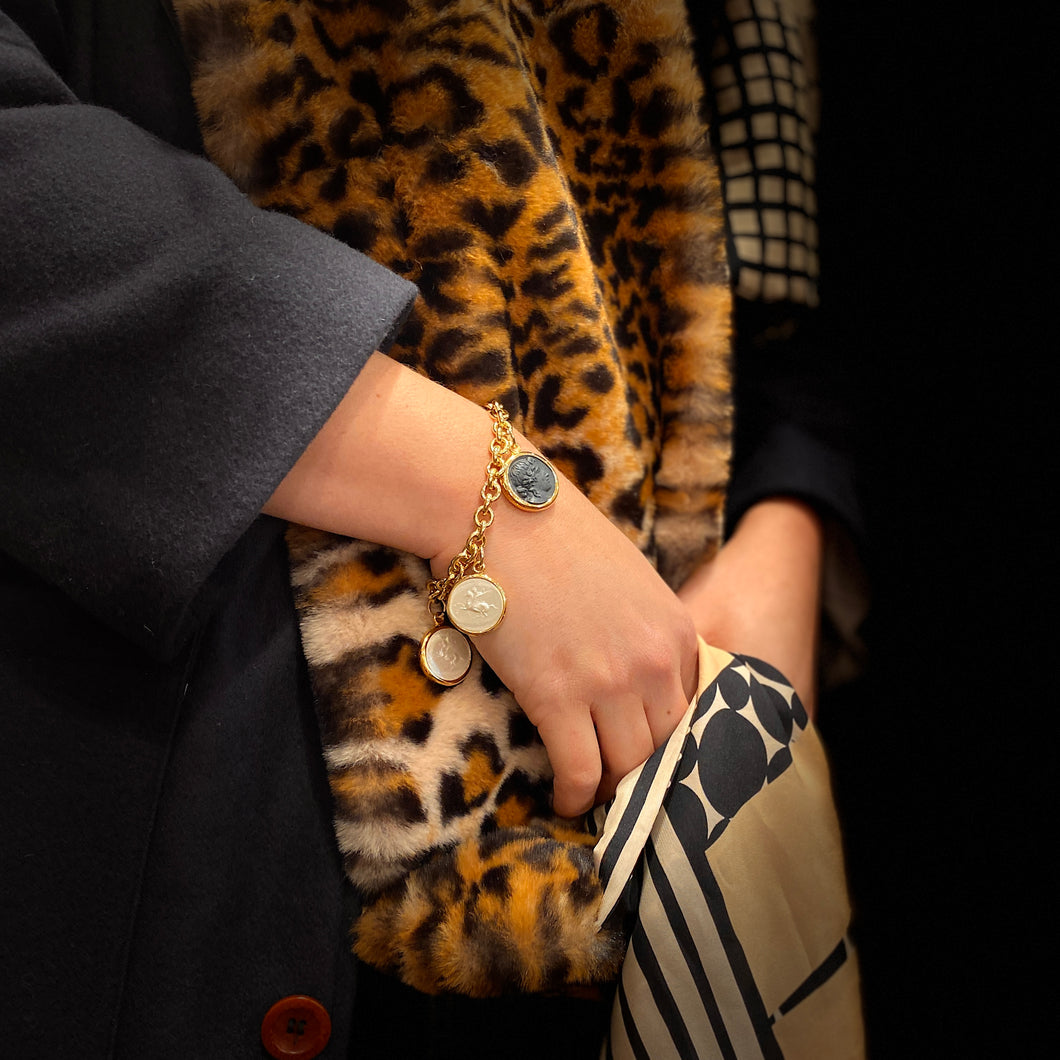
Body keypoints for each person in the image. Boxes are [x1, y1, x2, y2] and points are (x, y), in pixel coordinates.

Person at [1, 1, 861, 1056]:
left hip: (636, 825)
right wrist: (480, 494)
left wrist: (785, 525)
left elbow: (784, 261)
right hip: (201, 793)